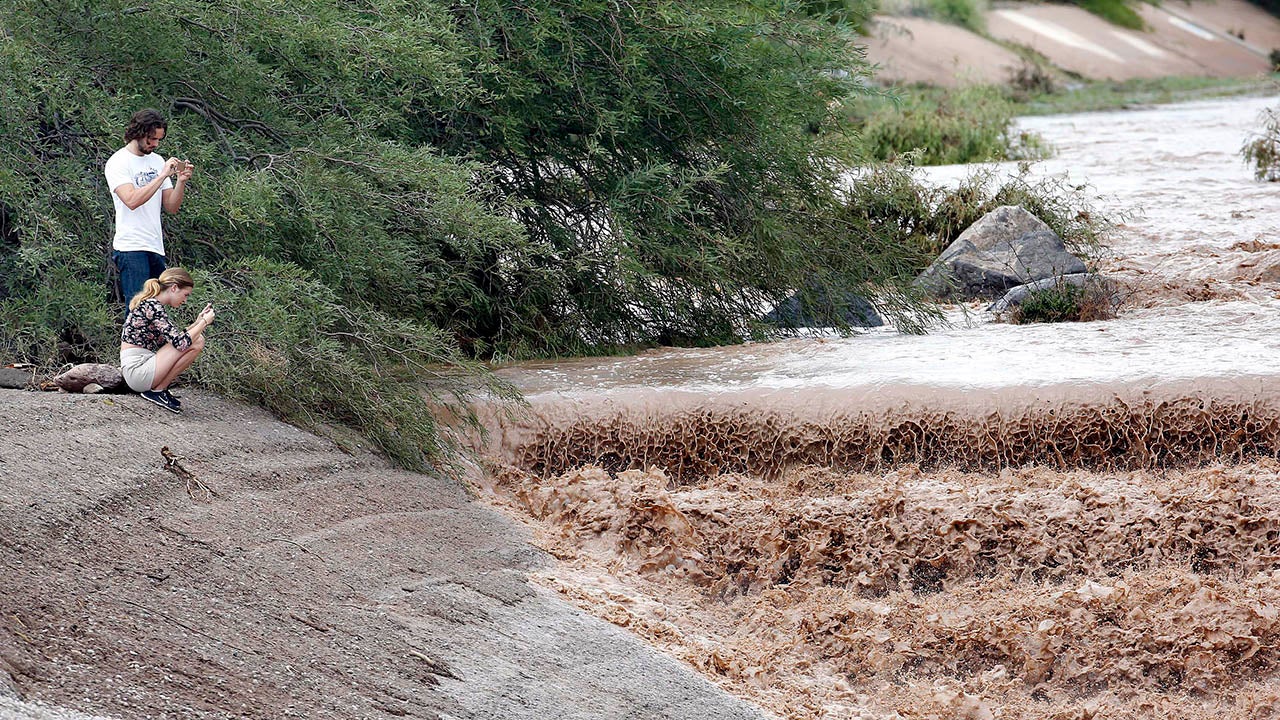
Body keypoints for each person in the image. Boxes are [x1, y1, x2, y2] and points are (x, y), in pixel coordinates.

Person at [104, 109, 195, 304]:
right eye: (151, 139)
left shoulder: (157, 161)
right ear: (138, 132)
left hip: (155, 245)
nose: (154, 144)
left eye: (158, 140)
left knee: (157, 309)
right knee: (137, 306)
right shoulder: (118, 162)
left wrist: (181, 181)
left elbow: (171, 206)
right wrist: (161, 176)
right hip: (131, 246)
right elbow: (131, 201)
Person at [119, 268, 215, 413]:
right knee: (197, 340)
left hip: (142, 369)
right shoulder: (152, 306)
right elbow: (180, 344)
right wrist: (204, 323)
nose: (185, 300)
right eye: (185, 295)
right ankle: (158, 391)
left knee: (197, 339)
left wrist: (197, 322)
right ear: (174, 288)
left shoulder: (154, 306)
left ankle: (159, 390)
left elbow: (175, 339)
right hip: (137, 371)